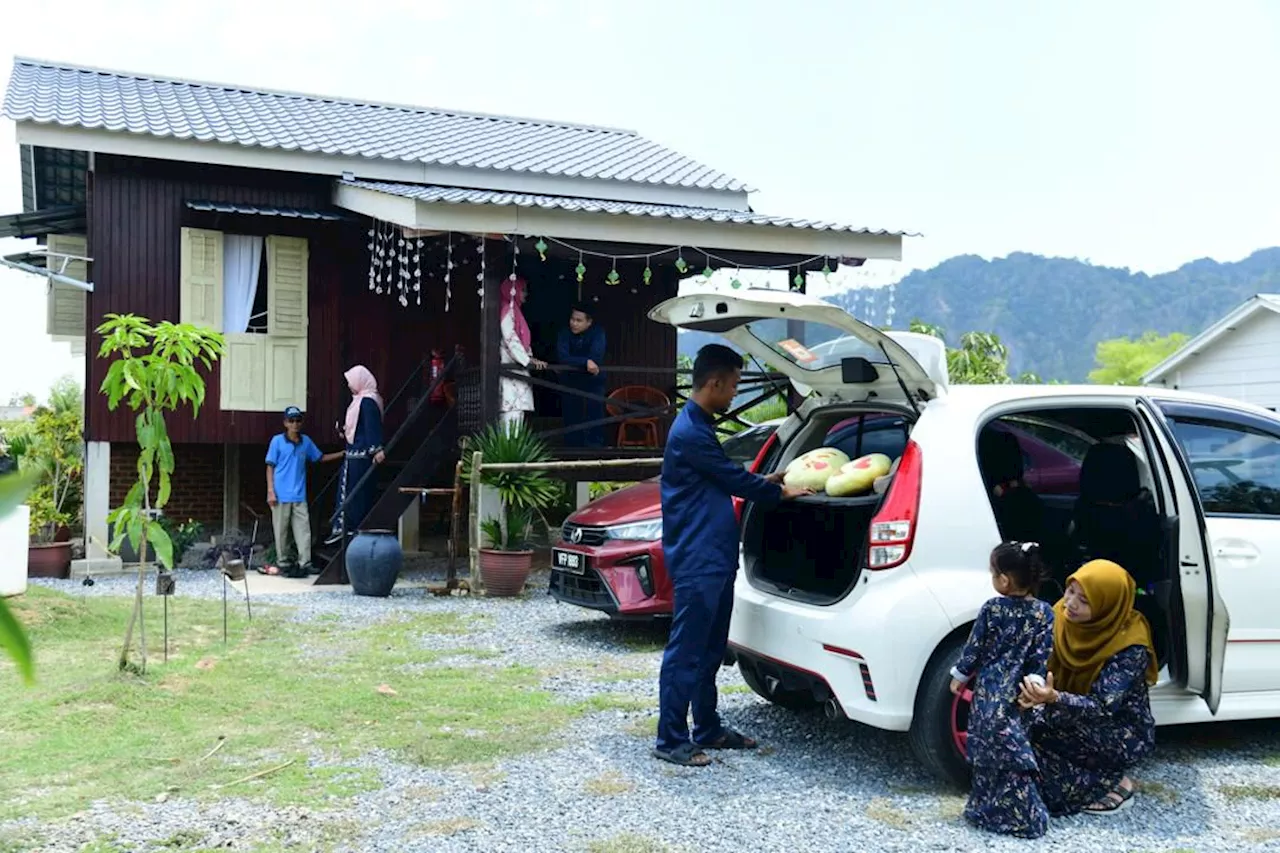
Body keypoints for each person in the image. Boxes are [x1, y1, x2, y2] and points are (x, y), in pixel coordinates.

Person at [652, 344, 811, 767]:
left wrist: (764, 478)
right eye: (735, 385)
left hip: (715, 556)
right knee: (687, 650)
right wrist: (779, 490)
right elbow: (731, 480)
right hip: (697, 558)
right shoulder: (689, 433)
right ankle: (670, 738)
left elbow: (721, 478)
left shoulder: (699, 427)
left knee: (709, 650)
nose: (736, 395)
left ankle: (706, 726)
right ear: (715, 383)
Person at [1018, 559, 1159, 817]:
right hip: (1063, 711)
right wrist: (1032, 690)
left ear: (1107, 604)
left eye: (1084, 600)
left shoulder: (1129, 645)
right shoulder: (1059, 615)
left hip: (1117, 730)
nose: (1071, 603)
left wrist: (1053, 698)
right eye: (1070, 591)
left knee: (1043, 789)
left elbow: (1102, 707)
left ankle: (1115, 782)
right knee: (1019, 740)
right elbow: (1035, 658)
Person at [948, 541, 1055, 838]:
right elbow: (1041, 655)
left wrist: (960, 674)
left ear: (1004, 580)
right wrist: (1034, 681)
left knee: (987, 752)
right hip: (1022, 693)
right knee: (1016, 749)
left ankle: (987, 809)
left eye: (993, 573)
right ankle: (1020, 811)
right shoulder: (1044, 613)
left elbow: (975, 647)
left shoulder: (992, 608)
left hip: (990, 691)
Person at [265, 406, 343, 577]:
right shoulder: (277, 441)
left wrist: (343, 454)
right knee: (281, 531)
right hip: (280, 494)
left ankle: (305, 562)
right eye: (291, 420)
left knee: (304, 531)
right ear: (285, 423)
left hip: (299, 495)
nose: (295, 424)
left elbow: (320, 457)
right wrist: (271, 491)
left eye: (298, 420)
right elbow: (270, 466)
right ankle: (283, 562)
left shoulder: (306, 442)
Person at [326, 366, 386, 544]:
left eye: (352, 382)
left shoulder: (367, 401)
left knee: (354, 493)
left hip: (360, 457)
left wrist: (376, 449)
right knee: (349, 491)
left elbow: (371, 426)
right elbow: (358, 427)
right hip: (354, 455)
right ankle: (344, 527)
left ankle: (348, 528)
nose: (350, 386)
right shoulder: (359, 400)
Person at [556, 303, 606, 448]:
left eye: (579, 321)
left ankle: (595, 449)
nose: (574, 323)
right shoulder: (564, 333)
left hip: (593, 381)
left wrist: (587, 362)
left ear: (589, 322)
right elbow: (563, 357)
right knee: (571, 415)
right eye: (572, 319)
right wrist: (585, 362)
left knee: (595, 412)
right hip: (570, 380)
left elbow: (596, 357)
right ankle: (572, 449)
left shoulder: (598, 333)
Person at [499, 276, 545, 433]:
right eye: (523, 290)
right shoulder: (508, 310)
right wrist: (527, 360)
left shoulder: (514, 311)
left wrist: (529, 359)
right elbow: (510, 339)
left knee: (515, 415)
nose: (525, 294)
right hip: (511, 372)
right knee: (511, 417)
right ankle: (507, 457)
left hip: (516, 370)